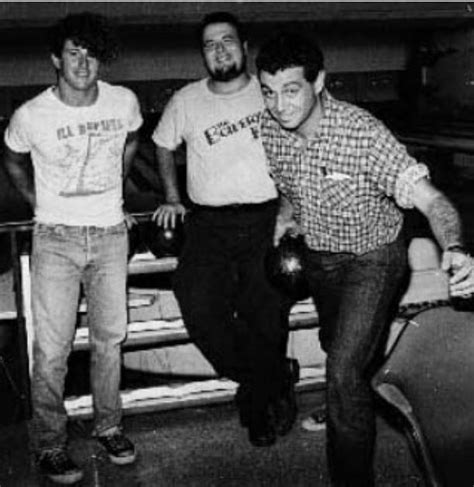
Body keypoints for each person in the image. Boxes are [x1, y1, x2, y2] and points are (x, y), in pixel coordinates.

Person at [255, 31, 474, 486]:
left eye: (291, 90)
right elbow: (288, 182)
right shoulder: (270, 127)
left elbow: (435, 203)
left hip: (375, 257)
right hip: (320, 257)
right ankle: (352, 396)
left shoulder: (364, 135)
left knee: (342, 370)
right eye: (269, 92)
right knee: (340, 350)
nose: (280, 105)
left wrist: (453, 248)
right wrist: (286, 214)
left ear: (318, 84)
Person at [3, 12, 142, 485]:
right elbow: (12, 160)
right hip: (56, 239)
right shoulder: (31, 114)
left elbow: (132, 140)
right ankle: (49, 444)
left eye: (91, 52)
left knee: (110, 340)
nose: (83, 62)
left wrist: (116, 192)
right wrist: (35, 202)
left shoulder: (124, 102)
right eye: (73, 52)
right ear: (55, 60)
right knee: (53, 350)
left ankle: (109, 427)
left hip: (109, 236)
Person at [151, 12, 298, 448]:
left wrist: (290, 208)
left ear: (244, 46)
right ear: (203, 54)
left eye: (226, 41)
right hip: (209, 225)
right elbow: (162, 146)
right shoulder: (187, 100)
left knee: (266, 318)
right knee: (198, 309)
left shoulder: (267, 91)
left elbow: (298, 143)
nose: (219, 50)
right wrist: (173, 196)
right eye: (210, 45)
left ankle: (259, 411)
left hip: (264, 219)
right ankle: (274, 376)